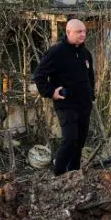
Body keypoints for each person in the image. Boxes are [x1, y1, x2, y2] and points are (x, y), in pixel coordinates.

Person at [32, 19, 94, 175]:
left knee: (79, 141)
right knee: (70, 139)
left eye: (84, 31)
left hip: (84, 104)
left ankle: (73, 172)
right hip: (66, 104)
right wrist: (50, 92)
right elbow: (39, 75)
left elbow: (90, 77)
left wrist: (91, 94)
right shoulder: (56, 52)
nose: (83, 34)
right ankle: (58, 174)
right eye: (79, 31)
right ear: (68, 32)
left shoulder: (85, 53)